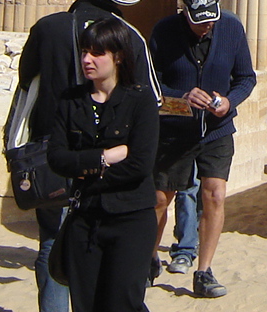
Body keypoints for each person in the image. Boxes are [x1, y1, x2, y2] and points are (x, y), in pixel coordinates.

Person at [16, 0, 160, 312]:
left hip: (54, 158)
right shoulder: (129, 38)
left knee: (52, 242)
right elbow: (152, 101)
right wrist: (105, 157)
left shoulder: (46, 28)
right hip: (86, 167)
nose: (88, 59)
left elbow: (25, 83)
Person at [149, 0, 255, 299]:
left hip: (217, 129)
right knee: (160, 198)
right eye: (199, 22)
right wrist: (180, 98)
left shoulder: (232, 28)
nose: (206, 26)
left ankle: (203, 271)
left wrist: (229, 101)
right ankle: (147, 259)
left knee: (215, 195)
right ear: (185, 12)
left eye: (210, 20)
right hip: (174, 130)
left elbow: (246, 78)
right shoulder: (164, 31)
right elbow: (149, 85)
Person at [47, 17, 159, 312]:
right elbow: (56, 157)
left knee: (123, 303)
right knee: (86, 305)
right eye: (84, 52)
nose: (87, 60)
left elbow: (140, 164)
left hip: (131, 219)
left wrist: (84, 172)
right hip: (85, 219)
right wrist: (103, 158)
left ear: (118, 56)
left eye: (97, 53)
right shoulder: (70, 100)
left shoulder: (141, 99)